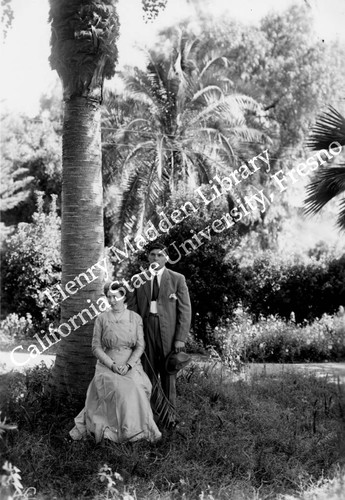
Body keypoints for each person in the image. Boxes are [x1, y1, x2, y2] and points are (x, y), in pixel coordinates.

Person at [69, 282, 162, 444]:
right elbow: (96, 347)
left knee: (135, 387)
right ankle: (110, 433)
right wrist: (112, 365)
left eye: (116, 296)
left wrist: (129, 365)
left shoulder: (135, 318)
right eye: (109, 297)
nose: (112, 300)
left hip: (130, 363)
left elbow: (140, 346)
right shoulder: (102, 318)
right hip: (107, 364)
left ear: (124, 296)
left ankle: (136, 433)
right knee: (115, 388)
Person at [127, 243, 191, 418]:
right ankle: (151, 416)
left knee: (168, 372)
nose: (156, 258)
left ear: (167, 258)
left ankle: (170, 416)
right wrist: (134, 336)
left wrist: (180, 338)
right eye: (153, 255)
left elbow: (185, 311)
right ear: (148, 257)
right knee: (147, 373)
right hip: (145, 330)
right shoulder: (137, 280)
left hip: (168, 333)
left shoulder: (177, 279)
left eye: (160, 255)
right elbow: (132, 311)